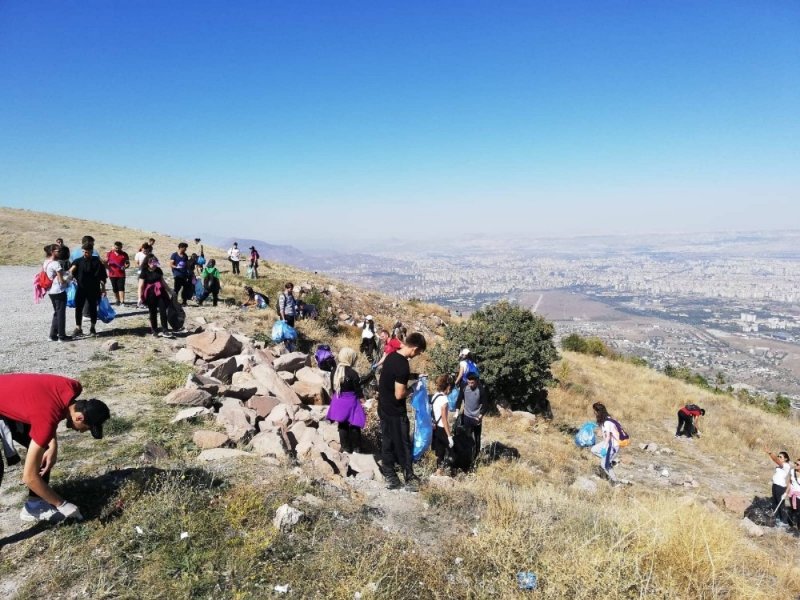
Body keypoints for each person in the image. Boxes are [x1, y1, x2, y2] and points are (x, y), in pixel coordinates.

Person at [0, 373, 110, 523]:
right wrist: (62, 504)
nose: (82, 431)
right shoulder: (46, 419)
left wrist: (53, 445)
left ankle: (34, 506)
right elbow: (29, 477)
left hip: (9, 399)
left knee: (44, 451)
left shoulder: (72, 387)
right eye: (87, 428)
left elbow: (44, 405)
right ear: (79, 418)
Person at [377, 332, 427, 491]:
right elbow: (399, 394)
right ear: (415, 348)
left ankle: (390, 475)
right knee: (403, 443)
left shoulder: (392, 357)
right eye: (418, 352)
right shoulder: (403, 365)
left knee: (387, 441)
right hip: (395, 410)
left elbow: (395, 377)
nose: (417, 355)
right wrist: (412, 389)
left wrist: (415, 376)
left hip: (383, 406)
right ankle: (409, 477)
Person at [325, 348, 367, 454]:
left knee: (342, 424)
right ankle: (357, 448)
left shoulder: (334, 371)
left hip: (338, 399)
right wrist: (363, 401)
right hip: (351, 401)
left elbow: (333, 387)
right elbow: (358, 390)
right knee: (355, 424)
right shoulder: (352, 373)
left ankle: (346, 448)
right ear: (350, 358)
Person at [69, 243, 107, 337]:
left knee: (93, 308)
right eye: (84, 252)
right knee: (78, 308)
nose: (86, 254)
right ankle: (78, 328)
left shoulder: (97, 262)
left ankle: (92, 327)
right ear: (82, 251)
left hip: (93, 289)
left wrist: (103, 289)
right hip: (81, 289)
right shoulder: (77, 261)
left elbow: (102, 276)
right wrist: (68, 274)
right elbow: (71, 271)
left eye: (88, 252)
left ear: (92, 251)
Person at [456, 372, 489, 463]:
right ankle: (467, 455)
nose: (470, 384)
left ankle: (477, 455)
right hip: (466, 416)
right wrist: (457, 410)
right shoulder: (464, 387)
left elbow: (485, 405)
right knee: (466, 436)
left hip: (476, 417)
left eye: (472, 383)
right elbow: (459, 399)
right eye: (469, 382)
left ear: (476, 381)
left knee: (477, 437)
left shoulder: (481, 389)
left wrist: (480, 415)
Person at [138, 254, 173, 337]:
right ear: (148, 263)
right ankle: (154, 330)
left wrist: (170, 291)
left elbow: (163, 282)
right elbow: (141, 286)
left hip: (161, 293)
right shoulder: (144, 271)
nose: (154, 266)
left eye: (155, 263)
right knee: (152, 312)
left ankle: (165, 330)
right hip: (150, 294)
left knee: (163, 311)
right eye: (152, 263)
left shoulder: (158, 270)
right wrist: (139, 297)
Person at [42, 244, 71, 342]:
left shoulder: (46, 262)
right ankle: (62, 336)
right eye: (58, 251)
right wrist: (68, 280)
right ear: (53, 252)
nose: (59, 253)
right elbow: (61, 280)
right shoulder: (56, 264)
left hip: (50, 291)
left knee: (56, 312)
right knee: (61, 313)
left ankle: (53, 335)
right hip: (59, 290)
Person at [590, 402, 620, 483]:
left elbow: (608, 437)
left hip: (612, 445)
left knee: (604, 465)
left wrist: (604, 448)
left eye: (594, 411)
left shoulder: (606, 422)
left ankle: (616, 482)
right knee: (594, 449)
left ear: (598, 412)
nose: (594, 413)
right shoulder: (607, 418)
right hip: (608, 442)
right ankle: (610, 461)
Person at [430, 375, 454, 474]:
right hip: (441, 428)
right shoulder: (444, 400)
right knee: (452, 450)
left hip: (434, 428)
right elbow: (444, 420)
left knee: (439, 452)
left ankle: (438, 471)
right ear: (447, 386)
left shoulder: (435, 396)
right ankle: (452, 471)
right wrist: (449, 436)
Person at [765, 448, 791, 527]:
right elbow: (776, 460)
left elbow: (776, 460)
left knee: (781, 504)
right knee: (775, 502)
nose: (779, 458)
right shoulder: (779, 465)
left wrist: (770, 453)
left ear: (785, 459)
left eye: (781, 457)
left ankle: (784, 521)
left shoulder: (786, 465)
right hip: (775, 485)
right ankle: (775, 518)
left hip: (780, 487)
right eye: (778, 456)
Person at [106, 241, 130, 306]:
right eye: (116, 248)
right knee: (115, 288)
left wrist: (125, 267)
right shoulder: (109, 254)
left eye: (118, 248)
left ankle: (122, 301)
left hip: (121, 274)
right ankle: (117, 300)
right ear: (114, 247)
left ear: (121, 247)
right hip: (112, 274)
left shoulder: (124, 254)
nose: (117, 249)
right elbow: (105, 262)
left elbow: (127, 263)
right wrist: (109, 268)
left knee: (121, 287)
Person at [787, 459, 800, 530]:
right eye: (795, 463)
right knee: (793, 509)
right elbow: (789, 482)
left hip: (799, 495)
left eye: (798, 464)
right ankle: (791, 524)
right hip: (792, 494)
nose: (795, 465)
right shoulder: (792, 471)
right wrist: (786, 492)